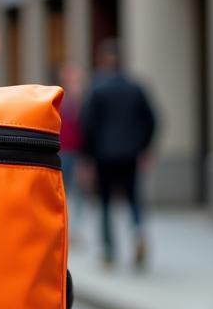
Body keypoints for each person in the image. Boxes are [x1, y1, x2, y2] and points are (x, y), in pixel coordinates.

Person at [80, 40, 158, 268]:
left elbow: (88, 124)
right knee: (133, 197)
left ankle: (108, 250)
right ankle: (137, 231)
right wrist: (144, 147)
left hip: (104, 155)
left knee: (104, 201)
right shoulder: (136, 88)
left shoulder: (97, 88)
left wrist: (88, 156)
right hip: (131, 153)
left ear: (103, 61)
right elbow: (152, 120)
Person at [58, 61, 86, 242]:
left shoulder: (83, 100)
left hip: (78, 152)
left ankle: (75, 229)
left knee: (79, 192)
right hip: (62, 152)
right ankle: (65, 229)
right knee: (63, 192)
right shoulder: (60, 99)